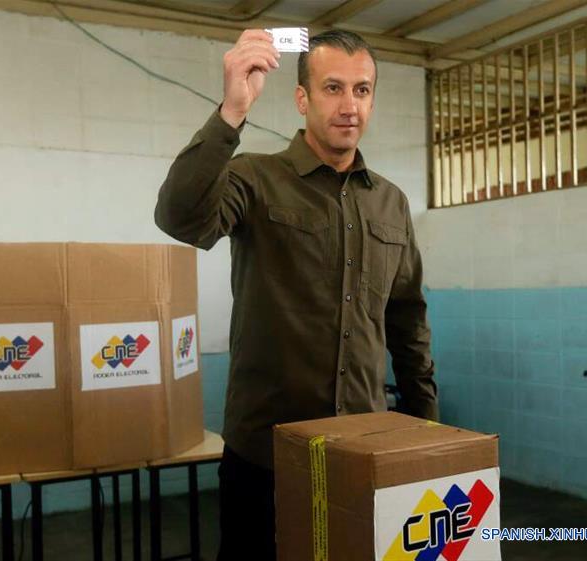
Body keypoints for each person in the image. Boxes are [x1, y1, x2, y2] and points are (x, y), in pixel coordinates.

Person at [154, 28, 438, 561]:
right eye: (333, 88)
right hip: (266, 459)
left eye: (362, 89)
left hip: (362, 450)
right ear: (302, 98)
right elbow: (179, 218)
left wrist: (426, 432)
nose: (349, 105)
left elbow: (407, 324)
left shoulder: (391, 205)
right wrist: (231, 112)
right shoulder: (255, 179)